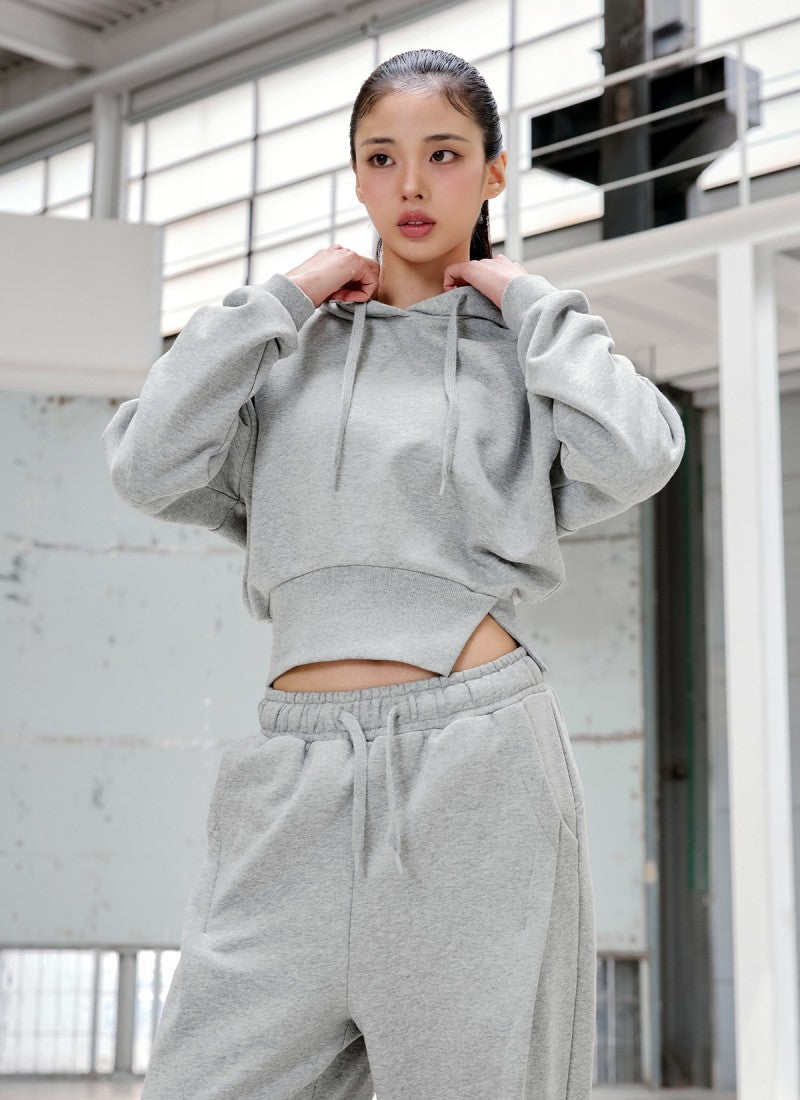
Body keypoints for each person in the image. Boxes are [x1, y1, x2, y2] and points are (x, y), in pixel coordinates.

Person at [102, 47, 685, 1100]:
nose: (411, 183)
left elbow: (640, 452)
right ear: (358, 176)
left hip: (476, 767)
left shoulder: (526, 356)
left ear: (493, 172)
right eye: (382, 157)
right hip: (293, 775)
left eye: (444, 154)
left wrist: (530, 301)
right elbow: (147, 462)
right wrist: (283, 296)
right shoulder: (282, 357)